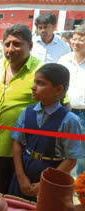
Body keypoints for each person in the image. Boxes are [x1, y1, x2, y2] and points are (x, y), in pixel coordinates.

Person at [8, 63, 82, 201]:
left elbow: (71, 159)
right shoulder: (27, 112)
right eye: (34, 82)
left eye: (41, 83)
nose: (33, 87)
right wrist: (21, 176)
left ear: (58, 89)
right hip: (25, 170)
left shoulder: (69, 120)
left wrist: (44, 183)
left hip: (52, 175)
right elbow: (17, 143)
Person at [0, 24, 44, 194]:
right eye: (7, 44)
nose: (11, 49)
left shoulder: (41, 72)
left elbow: (61, 107)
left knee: (19, 197)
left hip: (24, 152)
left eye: (17, 44)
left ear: (30, 46)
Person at [58, 24, 85, 177]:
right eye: (74, 39)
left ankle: (80, 187)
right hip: (64, 111)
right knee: (61, 150)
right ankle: (62, 181)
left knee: (82, 155)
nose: (75, 42)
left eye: (80, 40)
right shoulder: (64, 60)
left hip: (83, 114)